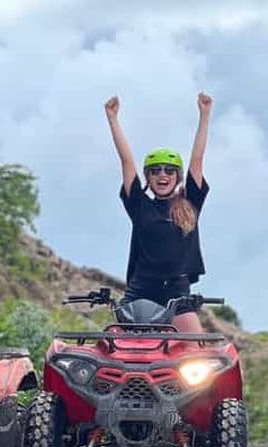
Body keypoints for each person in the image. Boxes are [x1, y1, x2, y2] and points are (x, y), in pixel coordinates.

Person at [104, 92, 212, 334]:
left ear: (177, 176)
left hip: (177, 294)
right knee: (109, 343)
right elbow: (126, 161)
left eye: (169, 170)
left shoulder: (189, 203)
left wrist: (204, 115)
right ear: (148, 177)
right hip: (140, 291)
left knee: (200, 350)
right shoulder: (140, 205)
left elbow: (198, 157)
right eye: (155, 171)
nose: (162, 175)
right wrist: (113, 118)